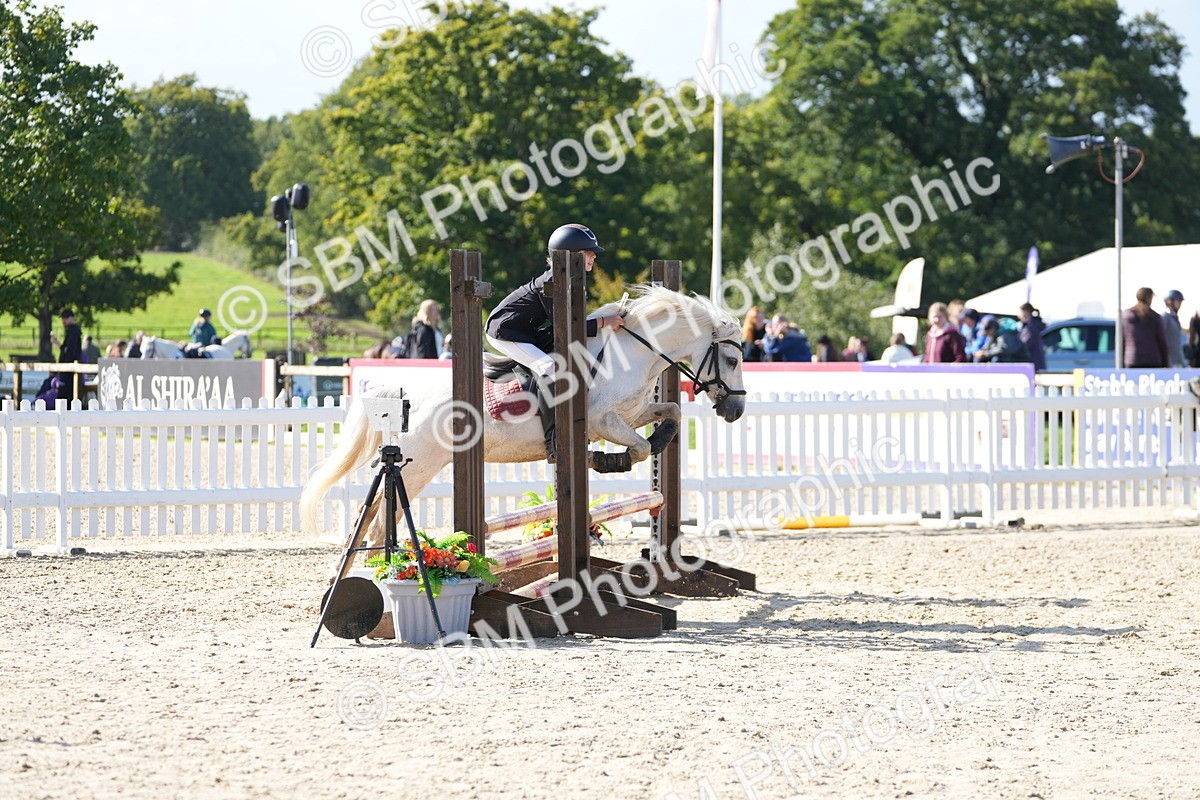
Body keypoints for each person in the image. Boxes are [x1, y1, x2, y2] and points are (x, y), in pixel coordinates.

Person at [484, 223, 623, 462]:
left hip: (526, 331)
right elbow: (566, 329)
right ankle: (554, 442)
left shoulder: (569, 280)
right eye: (588, 252)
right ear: (572, 255)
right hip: (505, 333)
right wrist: (602, 322)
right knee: (552, 368)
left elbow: (570, 324)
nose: (593, 257)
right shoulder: (554, 283)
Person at [1121, 287, 1168, 368]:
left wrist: (1120, 363)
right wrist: (1165, 363)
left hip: (1132, 359)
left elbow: (1121, 341)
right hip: (1153, 360)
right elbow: (1162, 342)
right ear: (1150, 298)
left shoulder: (1125, 316)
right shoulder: (1155, 317)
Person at [48, 308, 83, 405]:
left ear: (72, 318)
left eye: (66, 318)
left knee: (64, 396)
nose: (64, 320)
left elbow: (69, 351)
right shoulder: (73, 331)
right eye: (63, 318)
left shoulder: (73, 331)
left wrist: (58, 344)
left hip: (68, 370)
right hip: (68, 369)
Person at [1017, 303, 1047, 372]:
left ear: (1026, 312)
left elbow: (1026, 344)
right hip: (1036, 361)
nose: (1019, 316)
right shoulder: (1033, 324)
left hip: (1032, 362)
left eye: (1020, 313)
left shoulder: (1030, 326)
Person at [1162, 289, 1185, 368]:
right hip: (1168, 362)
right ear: (1170, 301)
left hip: (1177, 361)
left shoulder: (1175, 318)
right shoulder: (1165, 317)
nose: (1179, 304)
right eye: (1177, 301)